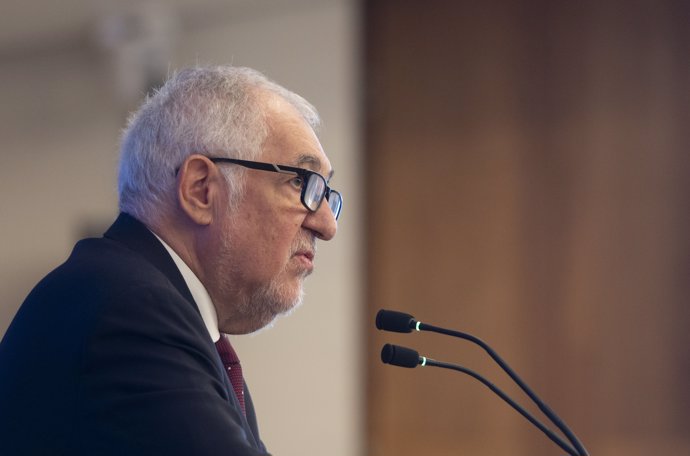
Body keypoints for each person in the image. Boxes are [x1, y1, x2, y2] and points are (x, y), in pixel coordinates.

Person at [0, 65, 341, 455]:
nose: (327, 225)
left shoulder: (159, 313)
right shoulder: (129, 310)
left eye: (327, 193)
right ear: (201, 190)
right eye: (300, 182)